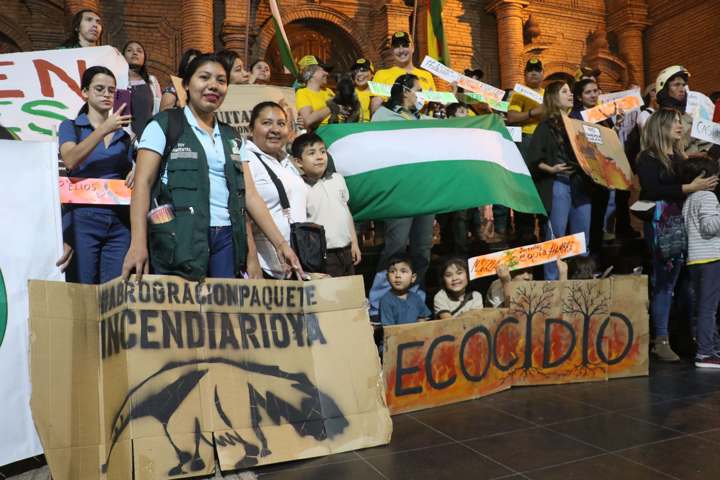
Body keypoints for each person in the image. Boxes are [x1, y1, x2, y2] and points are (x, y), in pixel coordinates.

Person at [122, 54, 301, 281]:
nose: (213, 86)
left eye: (221, 80)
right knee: (181, 315)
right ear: (186, 84)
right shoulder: (165, 124)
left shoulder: (232, 136)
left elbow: (250, 196)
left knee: (221, 314)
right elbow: (142, 184)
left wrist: (281, 245)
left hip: (226, 240)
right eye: (204, 77)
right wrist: (138, 244)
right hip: (178, 238)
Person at [636, 108, 718, 361]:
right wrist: (688, 187)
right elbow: (651, 189)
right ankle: (660, 339)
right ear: (660, 126)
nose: (680, 126)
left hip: (685, 223)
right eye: (674, 122)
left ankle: (685, 337)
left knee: (686, 284)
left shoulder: (682, 158)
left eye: (680, 122)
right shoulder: (647, 157)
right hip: (663, 225)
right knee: (666, 281)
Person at [58, 66, 133, 284]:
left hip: (119, 221)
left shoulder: (124, 136)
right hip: (83, 218)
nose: (106, 95)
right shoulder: (71, 126)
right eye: (99, 89)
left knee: (115, 293)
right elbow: (70, 159)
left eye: (111, 90)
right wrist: (103, 129)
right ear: (85, 92)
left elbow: (126, 171)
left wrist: (135, 170)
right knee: (84, 290)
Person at [368, 73, 433, 315]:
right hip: (399, 192)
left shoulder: (425, 119)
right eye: (418, 90)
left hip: (426, 192)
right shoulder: (383, 116)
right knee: (395, 246)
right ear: (406, 90)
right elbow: (376, 149)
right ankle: (377, 304)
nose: (421, 96)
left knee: (423, 247)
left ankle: (415, 299)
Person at [527, 80, 593, 280]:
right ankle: (552, 282)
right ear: (554, 97)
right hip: (558, 183)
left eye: (571, 91)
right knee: (556, 236)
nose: (570, 94)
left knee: (582, 237)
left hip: (580, 184)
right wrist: (552, 168)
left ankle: (582, 280)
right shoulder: (546, 127)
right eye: (565, 91)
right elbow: (533, 158)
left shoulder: (578, 124)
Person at [243, 101, 308, 279]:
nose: (275, 129)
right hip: (268, 267)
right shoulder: (246, 160)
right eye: (266, 123)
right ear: (250, 129)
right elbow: (243, 215)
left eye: (281, 123)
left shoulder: (288, 161)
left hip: (299, 264)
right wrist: (252, 259)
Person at [291, 132, 361, 277]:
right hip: (322, 255)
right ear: (298, 162)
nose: (319, 156)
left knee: (350, 294)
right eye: (311, 153)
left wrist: (354, 242)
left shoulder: (337, 178)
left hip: (346, 250)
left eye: (323, 151)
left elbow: (345, 211)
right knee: (330, 297)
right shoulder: (299, 186)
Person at [570, 78, 623, 251]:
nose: (593, 95)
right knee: (584, 220)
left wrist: (616, 128)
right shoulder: (574, 116)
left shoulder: (604, 116)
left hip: (603, 174)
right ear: (579, 97)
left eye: (595, 91)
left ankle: (596, 258)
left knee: (599, 218)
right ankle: (582, 261)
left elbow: (608, 142)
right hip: (584, 175)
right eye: (588, 92)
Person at [681, 157, 720, 368]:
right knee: (709, 308)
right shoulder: (706, 197)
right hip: (711, 259)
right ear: (704, 176)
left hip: (696, 260)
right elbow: (709, 226)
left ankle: (712, 348)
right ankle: (705, 353)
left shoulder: (690, 199)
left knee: (705, 306)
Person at [505, 58, 546, 244]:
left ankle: (546, 229)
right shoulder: (519, 93)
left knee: (545, 185)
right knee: (525, 185)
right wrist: (533, 113)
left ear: (543, 73)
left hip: (547, 142)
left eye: (537, 69)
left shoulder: (549, 94)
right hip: (527, 140)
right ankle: (525, 232)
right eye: (530, 70)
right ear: (525, 74)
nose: (534, 73)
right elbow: (511, 117)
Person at [370, 32, 436, 113]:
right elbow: (375, 106)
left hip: (421, 124)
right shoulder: (381, 74)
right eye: (396, 46)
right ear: (391, 50)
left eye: (405, 45)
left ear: (413, 48)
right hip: (395, 123)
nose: (401, 50)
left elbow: (433, 107)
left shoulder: (426, 75)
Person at [655, 65, 712, 155]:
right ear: (664, 90)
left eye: (683, 85)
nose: (682, 89)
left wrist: (705, 151)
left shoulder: (686, 116)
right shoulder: (658, 120)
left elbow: (705, 143)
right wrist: (692, 133)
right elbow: (667, 154)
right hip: (681, 167)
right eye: (676, 85)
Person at [122, 41, 162, 138]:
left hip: (149, 137)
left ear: (144, 58)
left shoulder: (152, 81)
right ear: (123, 57)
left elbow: (159, 111)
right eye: (129, 50)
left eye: (139, 51)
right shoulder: (118, 81)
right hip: (124, 138)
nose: (135, 53)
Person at [380, 254, 432, 326]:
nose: (397, 275)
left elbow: (423, 318)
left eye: (403, 271)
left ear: (413, 277)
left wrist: (421, 322)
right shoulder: (386, 300)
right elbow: (389, 329)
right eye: (392, 271)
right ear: (387, 277)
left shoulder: (416, 298)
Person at [295, 55, 336, 130]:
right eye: (323, 70)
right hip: (322, 134)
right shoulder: (302, 93)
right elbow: (308, 120)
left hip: (340, 129)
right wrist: (333, 106)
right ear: (311, 73)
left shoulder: (328, 91)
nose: (327, 73)